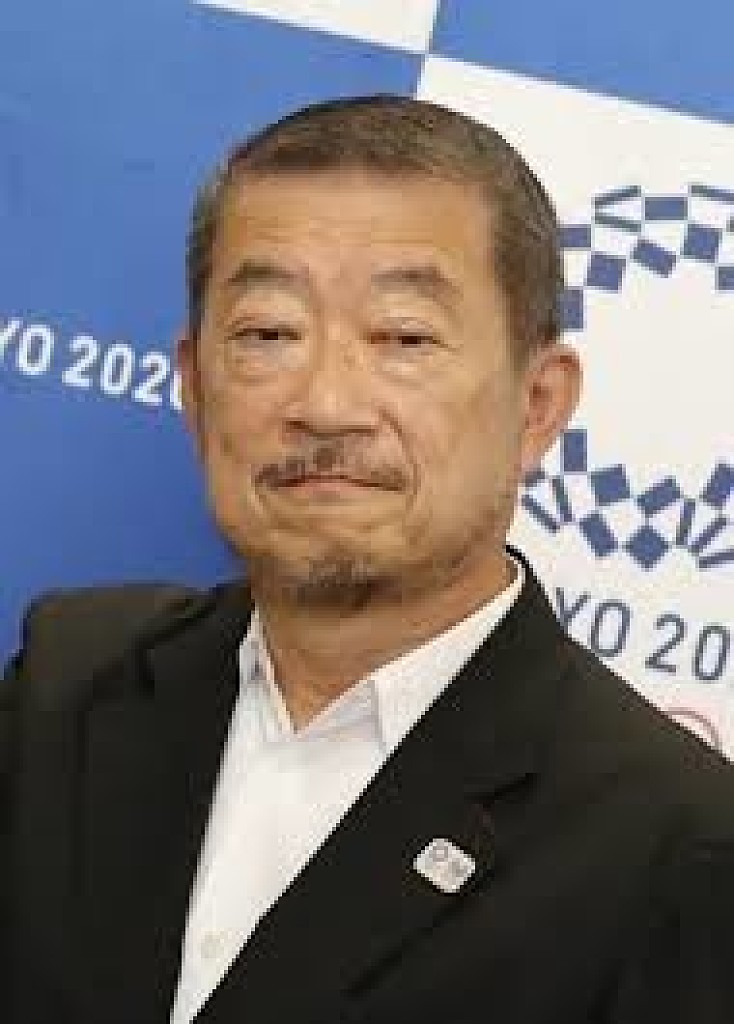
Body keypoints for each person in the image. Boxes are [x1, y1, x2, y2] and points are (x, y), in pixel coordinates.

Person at [2, 95, 733, 1024]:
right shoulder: (72, 683)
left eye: (403, 338)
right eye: (269, 334)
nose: (326, 403)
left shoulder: (677, 845)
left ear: (539, 405)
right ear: (192, 388)